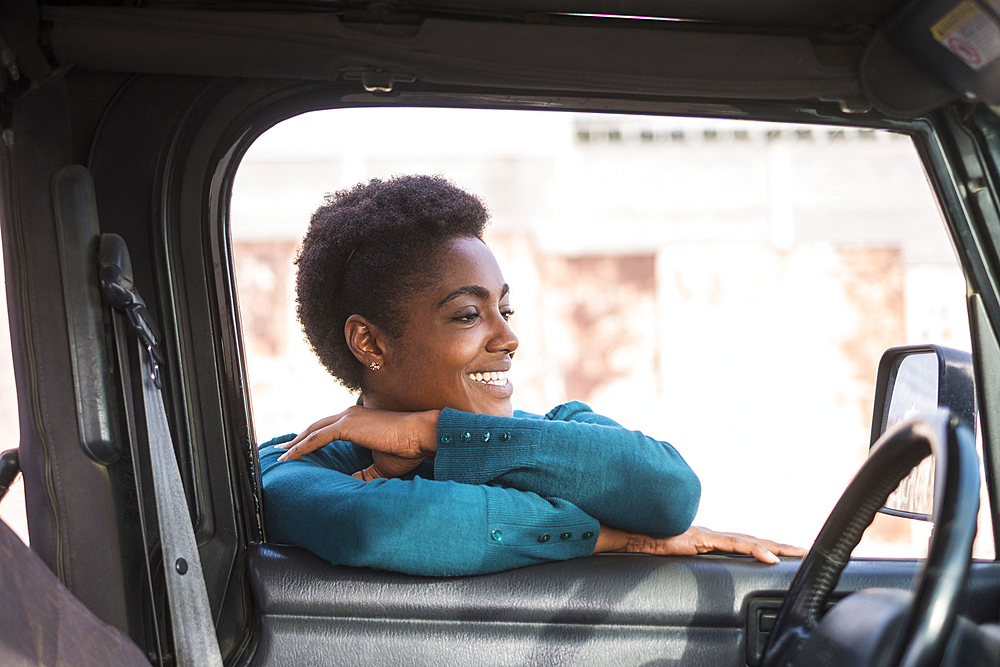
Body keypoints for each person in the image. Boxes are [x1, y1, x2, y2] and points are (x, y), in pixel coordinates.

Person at [258, 175, 803, 576]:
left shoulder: (565, 425)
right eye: (468, 315)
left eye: (505, 309)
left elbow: (669, 494)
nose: (508, 338)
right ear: (370, 343)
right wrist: (617, 537)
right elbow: (390, 527)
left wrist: (433, 435)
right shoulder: (289, 468)